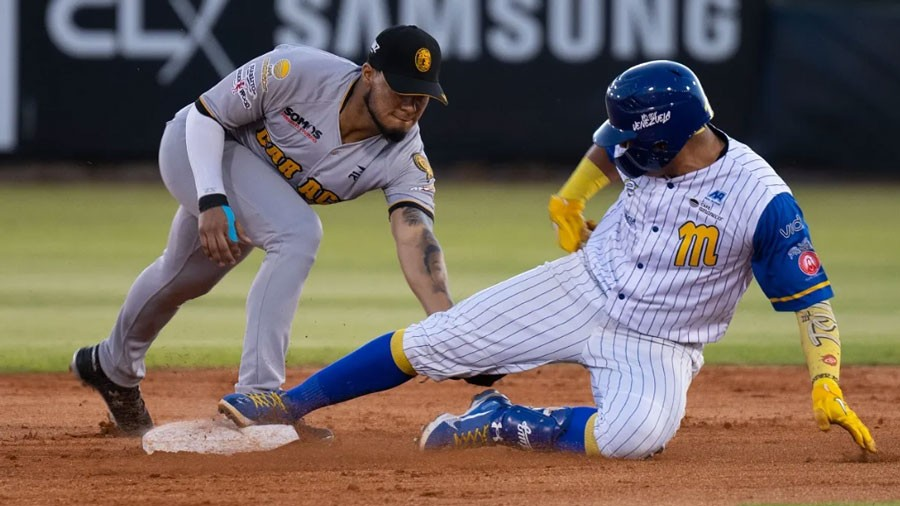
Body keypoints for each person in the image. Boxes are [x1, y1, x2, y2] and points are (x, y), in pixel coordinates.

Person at [218, 60, 876, 458]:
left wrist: (827, 381)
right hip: (580, 286)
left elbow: (813, 304)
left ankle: (504, 421)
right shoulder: (652, 138)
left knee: (634, 438)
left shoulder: (762, 202)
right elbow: (606, 148)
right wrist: (572, 197)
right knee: (437, 341)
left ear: (673, 136)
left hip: (662, 340)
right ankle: (287, 404)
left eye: (634, 139)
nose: (622, 149)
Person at [70, 25, 455, 436]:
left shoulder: (405, 157)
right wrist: (211, 198)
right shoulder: (297, 71)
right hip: (195, 148)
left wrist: (451, 324)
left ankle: (111, 366)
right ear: (368, 74)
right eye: (401, 90)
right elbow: (206, 114)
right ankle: (260, 398)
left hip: (253, 188)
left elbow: (415, 237)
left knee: (183, 277)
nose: (410, 106)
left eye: (422, 97)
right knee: (297, 235)